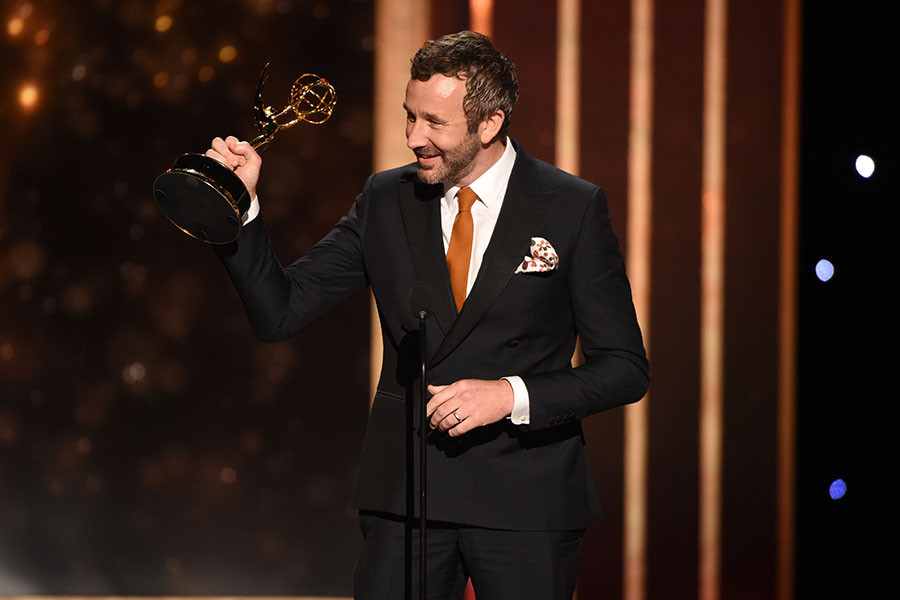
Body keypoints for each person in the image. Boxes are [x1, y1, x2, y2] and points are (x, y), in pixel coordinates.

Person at [207, 30, 648, 600]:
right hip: (406, 498)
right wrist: (239, 209)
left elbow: (624, 368)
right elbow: (281, 312)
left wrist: (508, 395)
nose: (415, 138)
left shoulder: (572, 207)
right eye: (409, 117)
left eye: (434, 123)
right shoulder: (386, 200)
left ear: (490, 123)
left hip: (526, 502)